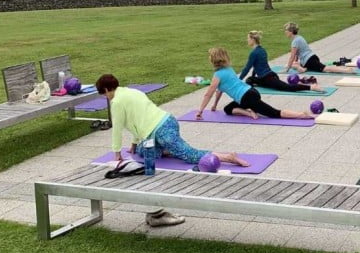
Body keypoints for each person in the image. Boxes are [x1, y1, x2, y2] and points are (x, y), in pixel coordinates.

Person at [96, 74, 249, 227]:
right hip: (166, 122)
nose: (106, 98)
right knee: (143, 150)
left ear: (106, 90)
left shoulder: (116, 102)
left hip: (162, 132)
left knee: (189, 154)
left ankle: (228, 157)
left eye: (104, 95)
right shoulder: (132, 92)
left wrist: (117, 154)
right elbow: (136, 120)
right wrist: (134, 145)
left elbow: (117, 127)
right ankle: (169, 150)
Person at [197, 47, 313, 120]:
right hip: (251, 92)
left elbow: (208, 94)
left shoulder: (217, 76)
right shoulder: (229, 69)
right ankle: (250, 111)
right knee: (228, 109)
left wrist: (200, 111)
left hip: (247, 98)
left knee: (274, 113)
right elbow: (220, 90)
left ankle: (302, 115)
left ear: (213, 61)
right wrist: (215, 105)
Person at [239, 30, 324, 93]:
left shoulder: (254, 53)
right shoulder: (262, 50)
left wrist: (239, 80)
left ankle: (312, 87)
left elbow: (247, 68)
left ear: (253, 40)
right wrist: (255, 77)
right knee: (249, 80)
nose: (247, 41)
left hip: (268, 78)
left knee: (288, 88)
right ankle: (253, 88)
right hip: (265, 77)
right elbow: (256, 66)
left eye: (248, 39)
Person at [282, 22, 354, 74]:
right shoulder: (299, 37)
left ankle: (346, 70)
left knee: (325, 68)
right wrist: (294, 63)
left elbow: (292, 56)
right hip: (310, 59)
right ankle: (302, 68)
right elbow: (296, 55)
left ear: (291, 32)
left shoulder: (295, 41)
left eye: (286, 30)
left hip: (310, 61)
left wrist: (287, 69)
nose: (285, 32)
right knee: (291, 64)